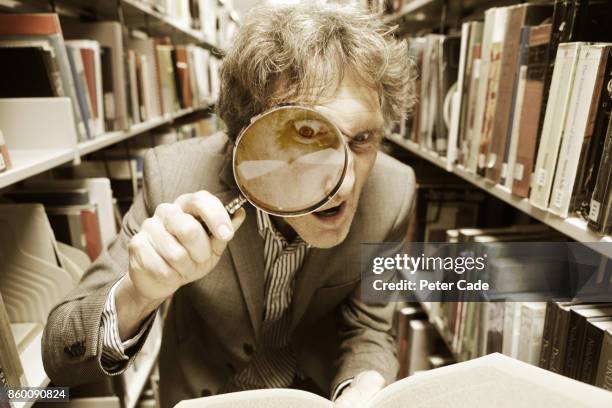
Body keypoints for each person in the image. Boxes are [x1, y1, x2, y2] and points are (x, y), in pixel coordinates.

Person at [42, 3, 416, 407]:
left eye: (362, 140)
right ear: (245, 137)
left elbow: (369, 327)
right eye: (307, 138)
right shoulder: (174, 177)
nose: (343, 183)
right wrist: (139, 293)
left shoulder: (392, 192)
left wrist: (362, 386)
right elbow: (60, 354)